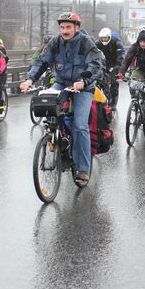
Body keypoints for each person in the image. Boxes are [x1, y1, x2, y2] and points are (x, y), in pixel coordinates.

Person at [20, 12, 104, 186]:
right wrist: (30, 79)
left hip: (83, 87)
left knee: (80, 126)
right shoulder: (56, 42)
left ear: (76, 28)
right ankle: (59, 140)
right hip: (62, 83)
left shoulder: (85, 43)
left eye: (68, 27)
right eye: (62, 27)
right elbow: (42, 62)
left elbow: (96, 65)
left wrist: (84, 80)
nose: (65, 31)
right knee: (48, 104)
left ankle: (83, 168)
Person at [118, 29, 145, 134]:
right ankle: (135, 100)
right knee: (132, 80)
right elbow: (127, 59)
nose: (142, 44)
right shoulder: (135, 46)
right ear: (138, 41)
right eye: (141, 42)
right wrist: (121, 72)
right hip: (140, 70)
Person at [96, 27, 124, 109]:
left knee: (114, 81)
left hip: (114, 64)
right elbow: (93, 54)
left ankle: (114, 101)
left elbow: (120, 56)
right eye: (102, 38)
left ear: (109, 37)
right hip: (102, 64)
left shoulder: (116, 42)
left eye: (105, 37)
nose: (104, 39)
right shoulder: (97, 43)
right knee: (99, 81)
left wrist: (117, 66)